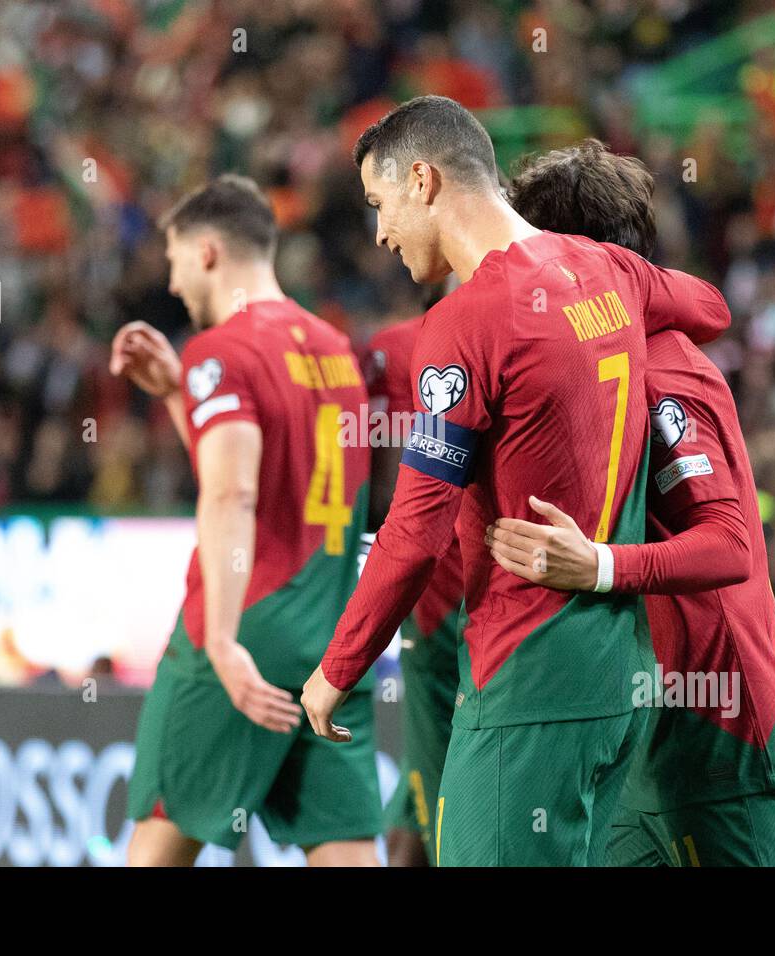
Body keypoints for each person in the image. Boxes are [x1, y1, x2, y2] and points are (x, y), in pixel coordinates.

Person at [300, 97, 728, 866]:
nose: (380, 233)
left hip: (527, 682)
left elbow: (416, 530)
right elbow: (710, 307)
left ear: (422, 180)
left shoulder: (464, 324)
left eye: (379, 203)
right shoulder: (610, 271)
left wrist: (336, 670)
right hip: (618, 683)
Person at [486, 139, 775, 866]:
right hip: (644, 729)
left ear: (581, 259)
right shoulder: (605, 364)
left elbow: (729, 543)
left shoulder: (665, 373)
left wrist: (600, 566)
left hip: (720, 735)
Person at [113, 175, 380, 866]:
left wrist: (224, 643)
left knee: (159, 841)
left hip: (244, 630)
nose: (172, 285)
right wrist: (179, 392)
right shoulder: (334, 349)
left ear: (207, 253)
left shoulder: (222, 353)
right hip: (331, 639)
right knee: (345, 847)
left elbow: (233, 495)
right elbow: (276, 479)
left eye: (173, 260)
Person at [361, 284, 466, 867]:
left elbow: (377, 486)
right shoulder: (535, 325)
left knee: (442, 794)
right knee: (423, 801)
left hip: (438, 593)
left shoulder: (390, 349)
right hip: (511, 589)